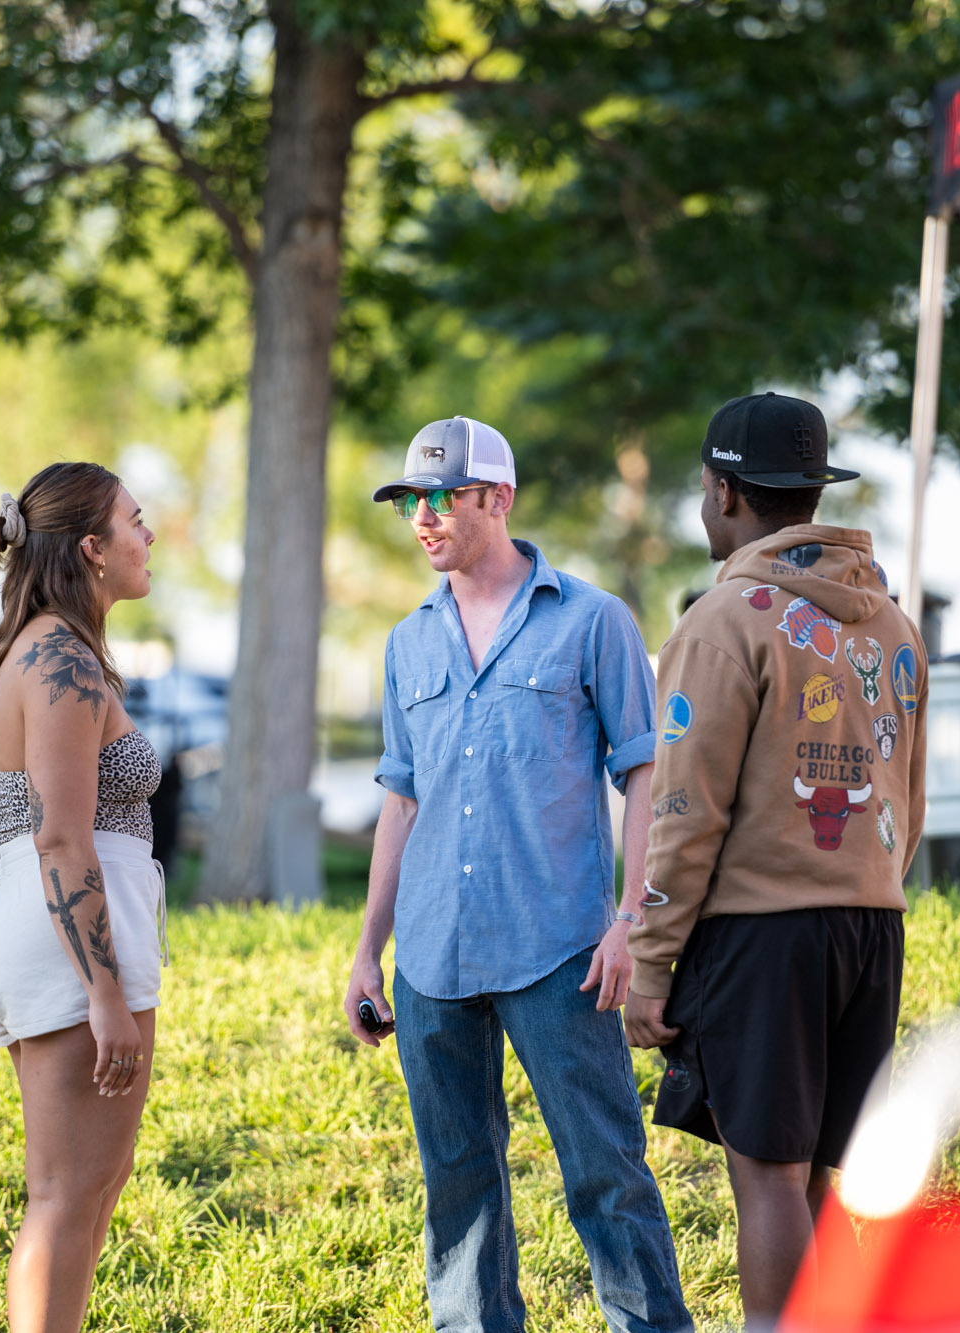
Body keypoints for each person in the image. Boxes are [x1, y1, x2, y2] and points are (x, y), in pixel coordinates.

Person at [344, 416, 695, 1333]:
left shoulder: (593, 620)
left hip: (560, 952)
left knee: (606, 1174)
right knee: (458, 1187)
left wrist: (629, 919)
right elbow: (401, 801)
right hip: (431, 958)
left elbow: (645, 772)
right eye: (409, 503)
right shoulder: (407, 642)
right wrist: (366, 954)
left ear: (497, 498)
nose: (421, 519)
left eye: (440, 499)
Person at [623, 393, 927, 1329]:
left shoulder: (722, 622)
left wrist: (649, 960)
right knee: (828, 1171)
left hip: (762, 936)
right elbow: (907, 799)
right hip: (872, 925)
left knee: (767, 1175)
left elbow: (682, 811)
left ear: (724, 492)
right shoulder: (892, 626)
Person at [0, 462, 168, 1333]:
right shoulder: (54, 656)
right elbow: (58, 834)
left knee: (84, 1193)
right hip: (68, 948)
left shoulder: (53, 649)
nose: (147, 535)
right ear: (91, 547)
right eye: (135, 520)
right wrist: (104, 990)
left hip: (62, 936)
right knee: (64, 1195)